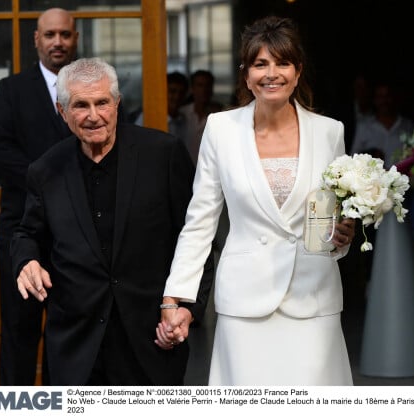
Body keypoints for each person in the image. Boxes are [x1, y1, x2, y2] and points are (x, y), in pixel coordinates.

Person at [156, 16, 356, 386]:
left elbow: (332, 219)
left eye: (282, 63)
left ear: (298, 72)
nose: (271, 73)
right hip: (245, 302)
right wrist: (176, 298)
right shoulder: (220, 129)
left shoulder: (330, 131)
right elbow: (200, 221)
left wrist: (343, 235)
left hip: (313, 299)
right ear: (246, 75)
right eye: (260, 64)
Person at [11, 57, 213, 385]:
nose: (93, 116)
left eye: (102, 102)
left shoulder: (164, 154)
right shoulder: (45, 170)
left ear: (117, 103)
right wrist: (26, 260)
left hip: (151, 339)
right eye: (80, 105)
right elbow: (26, 233)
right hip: (76, 346)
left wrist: (188, 308)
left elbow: (197, 237)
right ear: (62, 112)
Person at [0, 7, 78, 385]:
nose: (58, 42)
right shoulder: (12, 90)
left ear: (75, 39)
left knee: (70, 333)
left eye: (65, 35)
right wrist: (56, 179)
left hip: (76, 234)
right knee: (19, 331)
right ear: (36, 39)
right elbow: (0, 154)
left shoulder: (90, 89)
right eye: (50, 35)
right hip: (22, 230)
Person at [351, 80, 414, 168]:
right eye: (380, 97)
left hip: (403, 179)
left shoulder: (407, 125)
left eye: (388, 96)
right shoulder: (364, 126)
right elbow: (353, 157)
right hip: (373, 180)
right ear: (374, 100)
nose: (384, 101)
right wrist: (370, 155)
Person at [179, 69, 223, 165]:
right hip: (185, 170)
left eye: (207, 85)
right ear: (192, 88)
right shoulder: (182, 114)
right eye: (200, 85)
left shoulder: (221, 115)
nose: (204, 90)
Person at [134, 71, 189, 141]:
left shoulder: (183, 120)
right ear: (163, 92)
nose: (177, 97)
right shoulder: (148, 117)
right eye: (172, 91)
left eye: (181, 92)